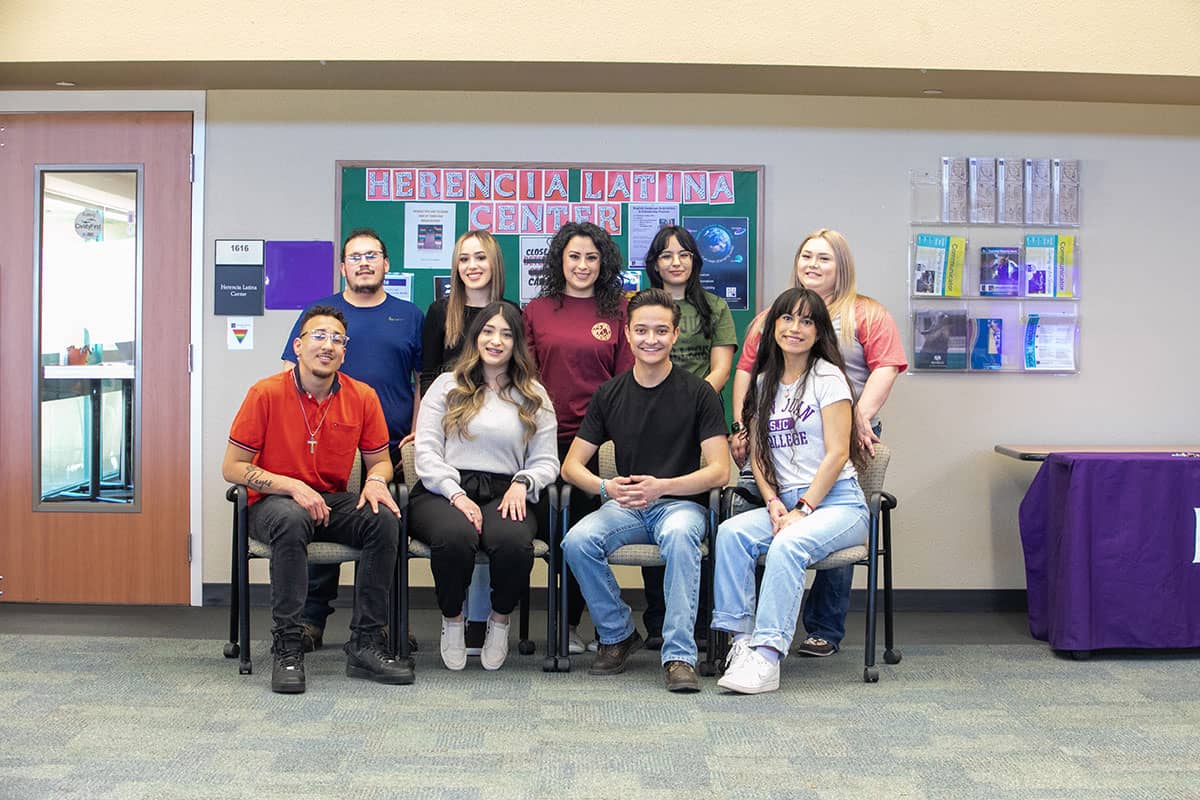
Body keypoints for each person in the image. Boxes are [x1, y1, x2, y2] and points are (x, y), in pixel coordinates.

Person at [730, 228, 905, 658]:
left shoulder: (867, 312)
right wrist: (742, 427)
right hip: (778, 435)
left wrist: (856, 419)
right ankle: (745, 628)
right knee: (754, 519)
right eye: (806, 256)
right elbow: (747, 371)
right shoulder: (777, 313)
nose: (813, 264)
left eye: (824, 258)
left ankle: (824, 627)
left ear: (841, 267)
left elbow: (887, 366)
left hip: (846, 434)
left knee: (830, 520)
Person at [223, 305, 411, 693]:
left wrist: (376, 480)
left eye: (337, 340)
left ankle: (365, 642)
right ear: (298, 345)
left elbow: (380, 463)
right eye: (319, 336)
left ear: (345, 351)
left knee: (383, 518)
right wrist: (290, 486)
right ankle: (288, 645)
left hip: (331, 500)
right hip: (272, 502)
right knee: (292, 519)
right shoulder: (265, 393)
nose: (328, 345)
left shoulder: (362, 396)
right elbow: (233, 468)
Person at [560, 288, 730, 693]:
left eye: (660, 331)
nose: (650, 339)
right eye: (641, 330)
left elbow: (720, 471)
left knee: (679, 536)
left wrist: (664, 487)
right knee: (576, 540)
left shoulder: (699, 393)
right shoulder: (609, 393)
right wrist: (606, 487)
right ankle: (617, 633)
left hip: (680, 505)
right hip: (629, 506)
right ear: (628, 333)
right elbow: (571, 467)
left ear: (674, 336)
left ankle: (678, 657)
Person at [713, 288, 869, 695]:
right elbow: (759, 456)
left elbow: (837, 454)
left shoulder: (829, 378)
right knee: (731, 534)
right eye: (787, 319)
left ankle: (767, 655)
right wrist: (772, 503)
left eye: (806, 321)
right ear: (773, 326)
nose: (795, 328)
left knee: (787, 546)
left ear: (818, 333)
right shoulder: (762, 383)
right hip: (785, 503)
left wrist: (802, 507)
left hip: (837, 503)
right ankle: (741, 642)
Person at [281, 227, 423, 653]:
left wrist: (416, 431)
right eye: (355, 256)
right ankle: (310, 620)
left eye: (372, 255)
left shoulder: (410, 315)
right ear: (343, 267)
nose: (364, 262)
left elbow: (420, 381)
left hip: (389, 447)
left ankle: (379, 625)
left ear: (386, 264)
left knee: (385, 531)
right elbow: (292, 374)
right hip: (325, 445)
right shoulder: (320, 314)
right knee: (323, 520)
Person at [410, 302, 559, 671]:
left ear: (517, 343)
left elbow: (547, 461)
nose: (496, 341)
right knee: (454, 536)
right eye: (488, 331)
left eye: (506, 334)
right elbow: (425, 452)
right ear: (475, 338)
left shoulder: (534, 394)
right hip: (443, 488)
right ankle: (454, 620)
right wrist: (456, 495)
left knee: (512, 542)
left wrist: (522, 483)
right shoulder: (447, 386)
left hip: (507, 489)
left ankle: (499, 620)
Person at [524, 221, 635, 654]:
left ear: (603, 262)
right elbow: (525, 378)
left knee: (579, 535)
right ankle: (545, 623)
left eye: (592, 257)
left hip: (597, 446)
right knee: (549, 534)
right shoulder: (536, 310)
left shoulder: (618, 311)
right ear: (560, 260)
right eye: (574, 256)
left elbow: (627, 379)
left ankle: (569, 626)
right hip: (543, 442)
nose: (583, 265)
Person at [420, 230, 521, 654]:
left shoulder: (512, 312)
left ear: (495, 263)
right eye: (464, 259)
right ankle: (458, 621)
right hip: (448, 433)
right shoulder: (442, 311)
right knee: (458, 533)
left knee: (500, 533)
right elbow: (425, 378)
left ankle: (484, 623)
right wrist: (419, 430)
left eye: (480, 258)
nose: (472, 266)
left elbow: (521, 378)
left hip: (496, 445)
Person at [641, 224, 737, 648]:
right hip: (649, 419)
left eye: (683, 254)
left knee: (696, 517)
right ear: (654, 264)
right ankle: (657, 620)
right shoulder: (640, 308)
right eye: (666, 255)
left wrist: (687, 405)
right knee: (652, 505)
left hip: (701, 420)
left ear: (695, 261)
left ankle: (699, 621)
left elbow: (720, 370)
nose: (675, 262)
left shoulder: (715, 307)